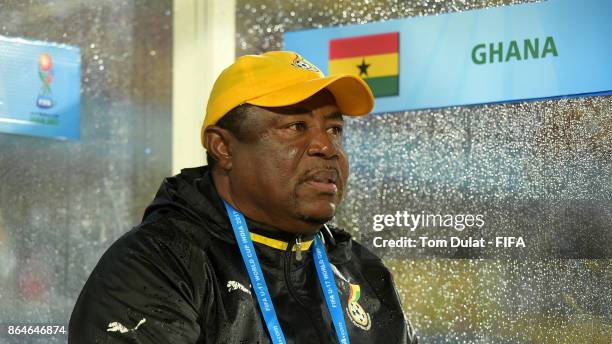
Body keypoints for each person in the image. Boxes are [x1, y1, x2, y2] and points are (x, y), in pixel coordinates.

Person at [69, 51, 418, 343]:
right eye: (296, 127)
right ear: (223, 147)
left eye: (334, 129)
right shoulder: (157, 265)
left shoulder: (363, 272)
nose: (328, 147)